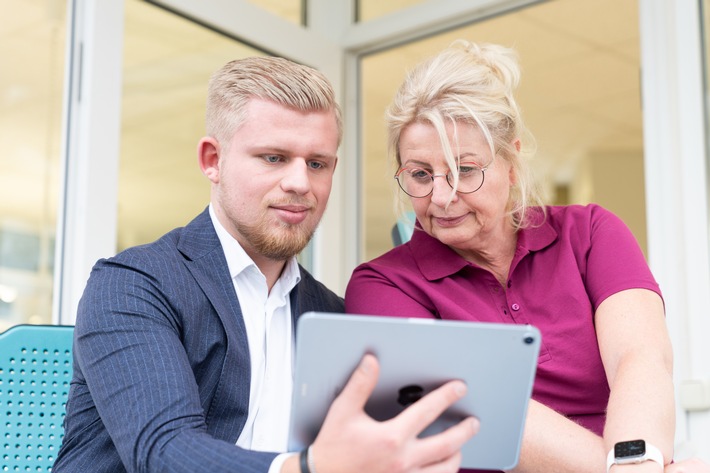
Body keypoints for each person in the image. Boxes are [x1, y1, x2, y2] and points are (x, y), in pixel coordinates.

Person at [53, 56, 479, 473]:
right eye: (273, 157)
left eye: (317, 164)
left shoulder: (329, 313)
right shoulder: (134, 284)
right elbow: (164, 453)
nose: (300, 183)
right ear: (212, 161)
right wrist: (311, 468)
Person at [345, 40, 710, 473]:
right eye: (421, 174)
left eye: (464, 170)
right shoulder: (382, 284)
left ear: (512, 163)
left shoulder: (590, 233)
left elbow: (641, 357)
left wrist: (637, 461)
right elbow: (485, 410)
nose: (440, 198)